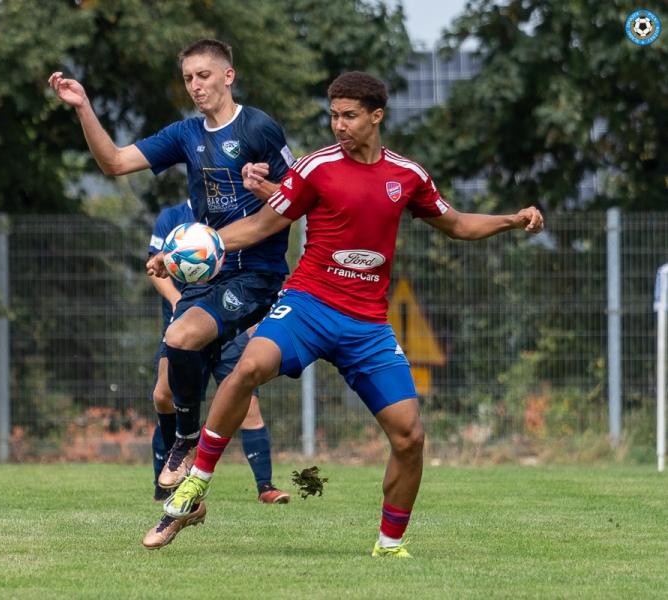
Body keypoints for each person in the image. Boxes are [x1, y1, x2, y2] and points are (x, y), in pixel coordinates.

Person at [148, 72, 545, 556]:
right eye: (333, 115)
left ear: (376, 116)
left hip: (368, 325)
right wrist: (188, 250)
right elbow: (262, 224)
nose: (338, 125)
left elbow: (458, 224)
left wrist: (511, 219)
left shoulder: (408, 176)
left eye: (349, 115)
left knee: (411, 437)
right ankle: (195, 486)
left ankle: (390, 545)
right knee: (249, 367)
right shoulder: (315, 167)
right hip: (309, 305)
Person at [49, 39, 295, 545]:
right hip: (211, 275)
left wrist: (204, 240)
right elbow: (115, 163)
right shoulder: (185, 134)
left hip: (256, 275)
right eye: (188, 78)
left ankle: (204, 452)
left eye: (204, 75)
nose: (195, 85)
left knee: (197, 346)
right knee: (172, 362)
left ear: (229, 76)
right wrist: (84, 109)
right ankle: (186, 463)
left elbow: (290, 206)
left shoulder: (259, 129)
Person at [147, 200, 289, 507]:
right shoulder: (173, 216)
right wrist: (176, 303)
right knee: (163, 395)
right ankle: (166, 481)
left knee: (248, 403)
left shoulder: (235, 214)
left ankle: (265, 486)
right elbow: (156, 268)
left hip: (224, 316)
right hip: (186, 319)